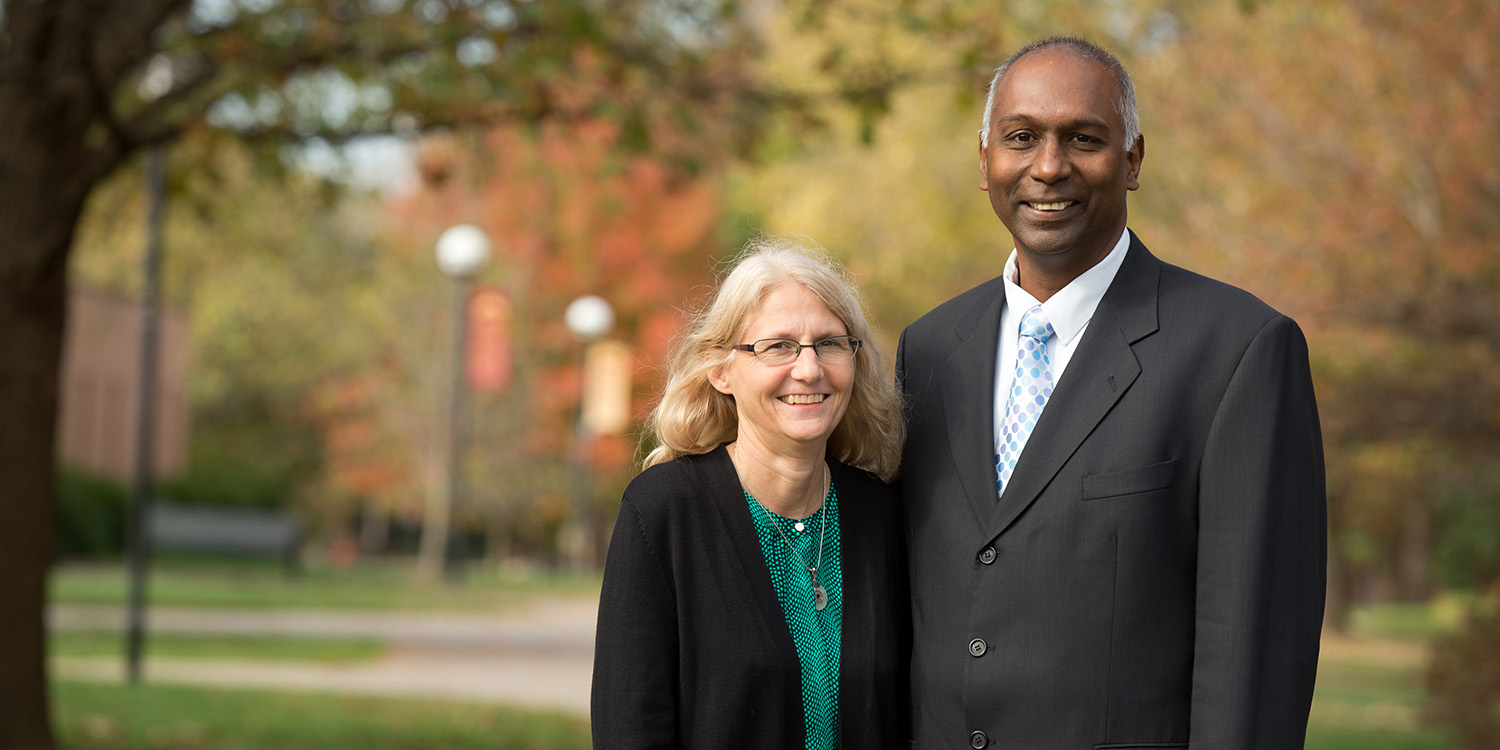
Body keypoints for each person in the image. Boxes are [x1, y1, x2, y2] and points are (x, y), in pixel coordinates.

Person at [897, 35, 1326, 749]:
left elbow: (1254, 647)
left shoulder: (1239, 350)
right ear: (984, 162)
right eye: (1021, 137)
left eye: (1084, 138)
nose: (1048, 166)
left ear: (1132, 161)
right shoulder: (930, 349)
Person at [591, 236, 909, 749]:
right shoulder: (663, 513)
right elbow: (629, 728)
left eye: (830, 343)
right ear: (720, 371)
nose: (809, 368)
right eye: (777, 345)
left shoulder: (883, 515)